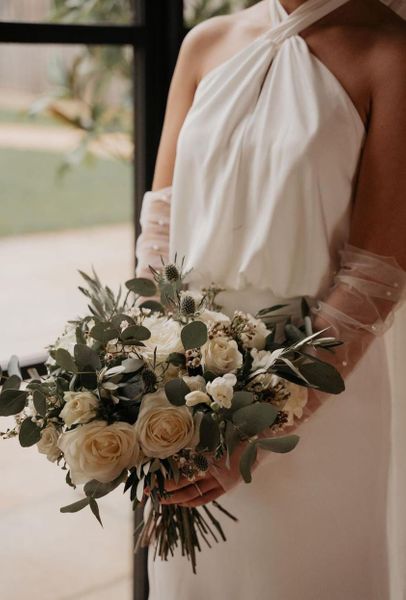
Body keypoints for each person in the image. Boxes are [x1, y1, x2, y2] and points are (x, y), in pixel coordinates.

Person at [135, 0, 406, 598]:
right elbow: (160, 227)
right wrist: (149, 379)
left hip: (325, 388)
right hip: (185, 390)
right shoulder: (206, 42)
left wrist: (262, 426)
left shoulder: (391, 52)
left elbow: (374, 278)